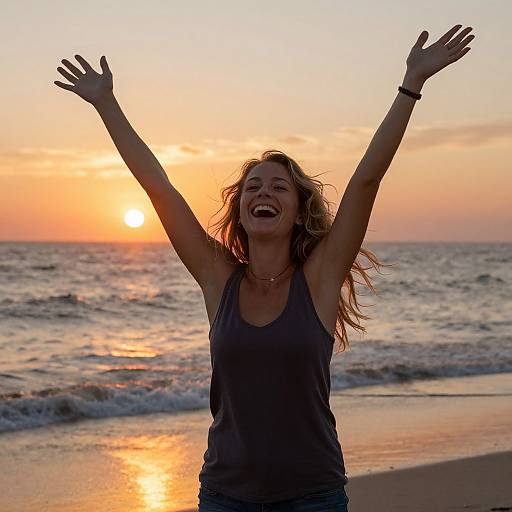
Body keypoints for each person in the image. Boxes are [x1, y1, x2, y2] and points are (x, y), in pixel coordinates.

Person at [54, 23, 474, 511]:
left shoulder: (318, 280)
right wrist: (107, 105)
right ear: (240, 210)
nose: (263, 193)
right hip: (225, 495)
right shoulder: (218, 279)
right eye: (253, 187)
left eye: (278, 187)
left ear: (298, 209)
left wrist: (411, 84)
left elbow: (365, 182)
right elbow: (160, 188)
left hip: (312, 495)